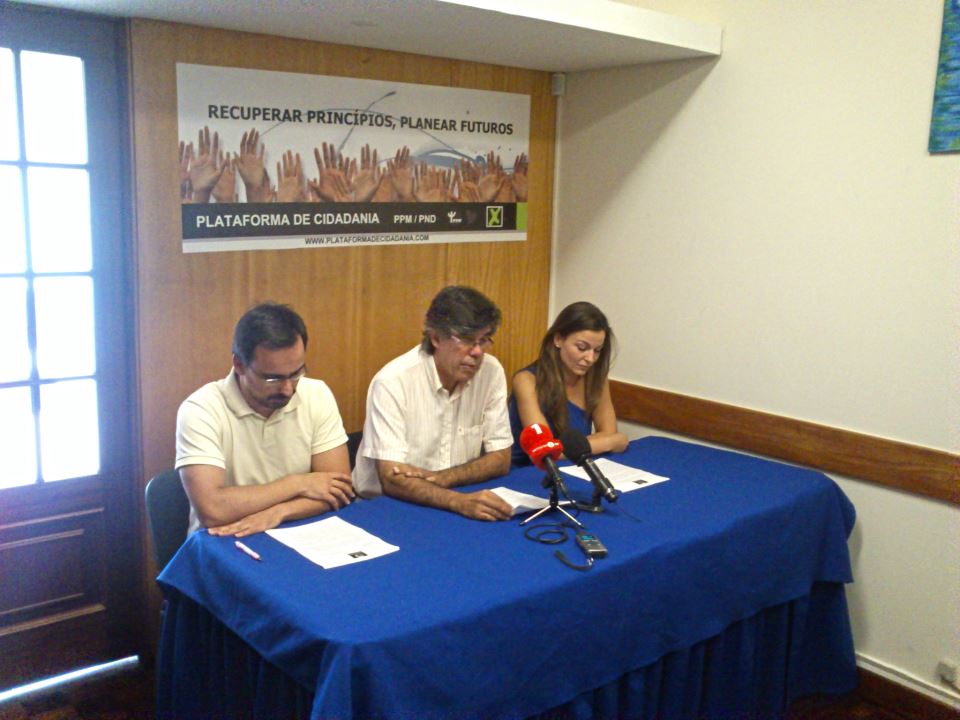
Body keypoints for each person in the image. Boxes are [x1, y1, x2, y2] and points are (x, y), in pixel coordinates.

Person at [176, 302, 354, 537]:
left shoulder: (316, 394)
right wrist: (298, 484)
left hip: (299, 529)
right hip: (226, 537)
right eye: (273, 379)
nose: (288, 389)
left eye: (296, 374)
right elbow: (213, 510)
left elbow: (339, 488)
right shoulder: (201, 410)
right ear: (239, 365)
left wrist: (279, 512)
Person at [353, 286, 514, 521]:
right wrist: (457, 501)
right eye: (467, 340)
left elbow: (501, 459)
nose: (477, 352)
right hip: (386, 507)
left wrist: (443, 478)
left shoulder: (491, 372)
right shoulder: (392, 381)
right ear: (436, 337)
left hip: (456, 494)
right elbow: (391, 479)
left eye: (484, 340)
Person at [509, 301, 628, 466]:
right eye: (582, 348)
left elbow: (609, 432)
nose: (590, 358)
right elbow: (545, 450)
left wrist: (609, 440)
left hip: (574, 465)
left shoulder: (596, 379)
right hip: (528, 471)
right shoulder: (526, 380)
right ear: (558, 339)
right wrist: (610, 442)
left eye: (597, 350)